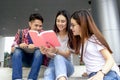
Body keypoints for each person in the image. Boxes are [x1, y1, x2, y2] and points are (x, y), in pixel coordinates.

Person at [70, 9, 120, 80]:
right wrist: (89, 71)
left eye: (73, 25)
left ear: (82, 24)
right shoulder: (80, 43)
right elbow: (92, 60)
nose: (71, 28)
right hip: (94, 74)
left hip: (108, 72)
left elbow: (110, 60)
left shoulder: (95, 39)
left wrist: (101, 73)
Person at [11, 13, 48, 80]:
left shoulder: (43, 34)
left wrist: (37, 46)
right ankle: (17, 78)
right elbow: (12, 49)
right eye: (36, 25)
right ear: (30, 24)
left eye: (40, 26)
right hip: (23, 60)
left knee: (39, 52)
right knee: (17, 51)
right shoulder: (21, 33)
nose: (38, 28)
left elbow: (47, 50)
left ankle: (32, 78)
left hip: (37, 59)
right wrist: (19, 45)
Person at [40, 10, 74, 80]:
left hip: (67, 64)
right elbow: (51, 55)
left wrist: (56, 50)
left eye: (63, 21)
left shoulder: (71, 35)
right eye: (58, 21)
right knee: (48, 72)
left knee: (58, 57)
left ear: (68, 22)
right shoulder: (53, 35)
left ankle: (62, 78)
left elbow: (67, 54)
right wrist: (46, 52)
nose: (59, 23)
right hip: (53, 62)